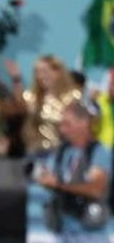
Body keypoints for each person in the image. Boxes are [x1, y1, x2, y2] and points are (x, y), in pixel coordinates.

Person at [35, 101, 111, 242]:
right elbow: (47, 176)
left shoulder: (99, 152)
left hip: (90, 231)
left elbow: (95, 189)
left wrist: (58, 184)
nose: (62, 130)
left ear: (84, 124)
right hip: (64, 228)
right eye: (61, 124)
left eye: (67, 124)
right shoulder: (61, 152)